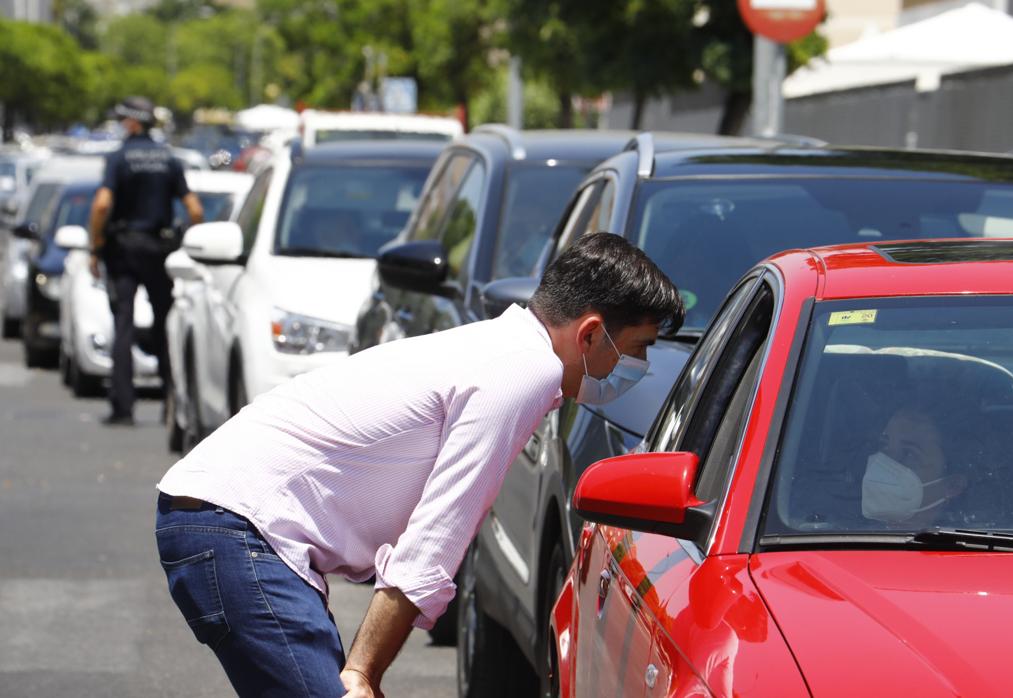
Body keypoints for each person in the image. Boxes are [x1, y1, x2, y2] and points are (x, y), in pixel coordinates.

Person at [153, 233, 683, 697]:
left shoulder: (502, 348)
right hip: (234, 525)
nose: (635, 368)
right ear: (590, 333)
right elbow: (433, 543)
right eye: (637, 349)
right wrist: (362, 670)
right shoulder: (523, 372)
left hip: (233, 522)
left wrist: (363, 670)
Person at [88, 96, 203, 426]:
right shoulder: (169, 159)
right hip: (158, 248)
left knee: (123, 323)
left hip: (123, 248)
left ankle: (123, 406)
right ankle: (172, 399)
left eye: (123, 120)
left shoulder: (118, 158)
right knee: (165, 323)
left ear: (132, 123)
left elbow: (100, 205)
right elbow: (194, 209)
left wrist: (96, 247)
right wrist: (192, 244)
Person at [861, 407, 967, 527]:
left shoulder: (972, 544)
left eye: (909, 453)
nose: (885, 463)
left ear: (953, 486)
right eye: (884, 445)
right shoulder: (844, 535)